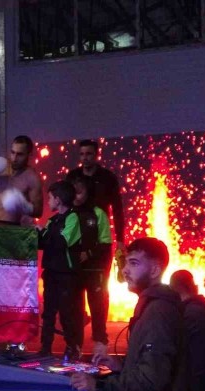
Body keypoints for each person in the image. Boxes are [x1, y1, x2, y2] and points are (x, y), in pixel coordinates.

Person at [70, 237, 186, 391]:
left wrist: (99, 385)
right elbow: (154, 366)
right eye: (126, 263)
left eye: (134, 263)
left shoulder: (157, 312)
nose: (124, 270)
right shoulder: (153, 307)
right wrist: (122, 367)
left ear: (155, 270)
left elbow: (152, 380)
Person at [36, 181, 83, 360]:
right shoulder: (52, 220)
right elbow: (43, 243)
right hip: (51, 273)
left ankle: (72, 347)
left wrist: (43, 232)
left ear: (58, 199)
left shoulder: (73, 218)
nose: (48, 201)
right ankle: (45, 348)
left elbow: (62, 241)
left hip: (66, 275)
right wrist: (36, 233)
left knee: (66, 313)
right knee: (48, 312)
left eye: (50, 198)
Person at [68, 174, 112, 359]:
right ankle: (75, 346)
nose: (76, 196)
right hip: (74, 271)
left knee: (97, 307)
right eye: (73, 192)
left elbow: (106, 243)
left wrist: (89, 254)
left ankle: (100, 345)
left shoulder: (98, 213)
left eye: (80, 192)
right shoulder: (67, 214)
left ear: (88, 192)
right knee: (75, 309)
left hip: (94, 270)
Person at [67, 139, 124, 249]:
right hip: (77, 229)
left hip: (100, 229)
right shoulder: (73, 176)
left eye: (88, 154)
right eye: (82, 154)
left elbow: (117, 209)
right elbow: (65, 203)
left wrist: (120, 239)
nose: (85, 158)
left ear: (96, 155)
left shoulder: (108, 177)